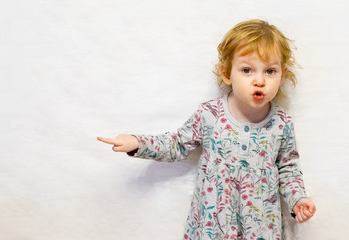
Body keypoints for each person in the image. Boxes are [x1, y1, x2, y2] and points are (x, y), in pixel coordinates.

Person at [97, 19, 316, 240]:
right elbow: (177, 144)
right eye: (247, 70)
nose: (259, 80)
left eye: (270, 71)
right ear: (227, 73)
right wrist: (138, 143)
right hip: (214, 223)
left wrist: (298, 199)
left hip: (260, 227)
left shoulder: (281, 123)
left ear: (283, 75)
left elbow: (288, 169)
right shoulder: (210, 114)